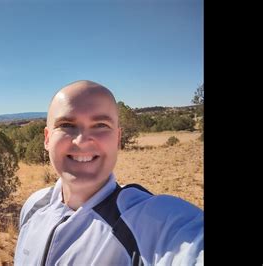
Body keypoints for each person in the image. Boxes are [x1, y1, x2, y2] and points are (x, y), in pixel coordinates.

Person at [14, 80, 203, 266]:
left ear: (118, 138)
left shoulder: (149, 223)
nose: (81, 141)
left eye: (101, 125)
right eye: (66, 125)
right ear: (47, 139)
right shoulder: (33, 206)